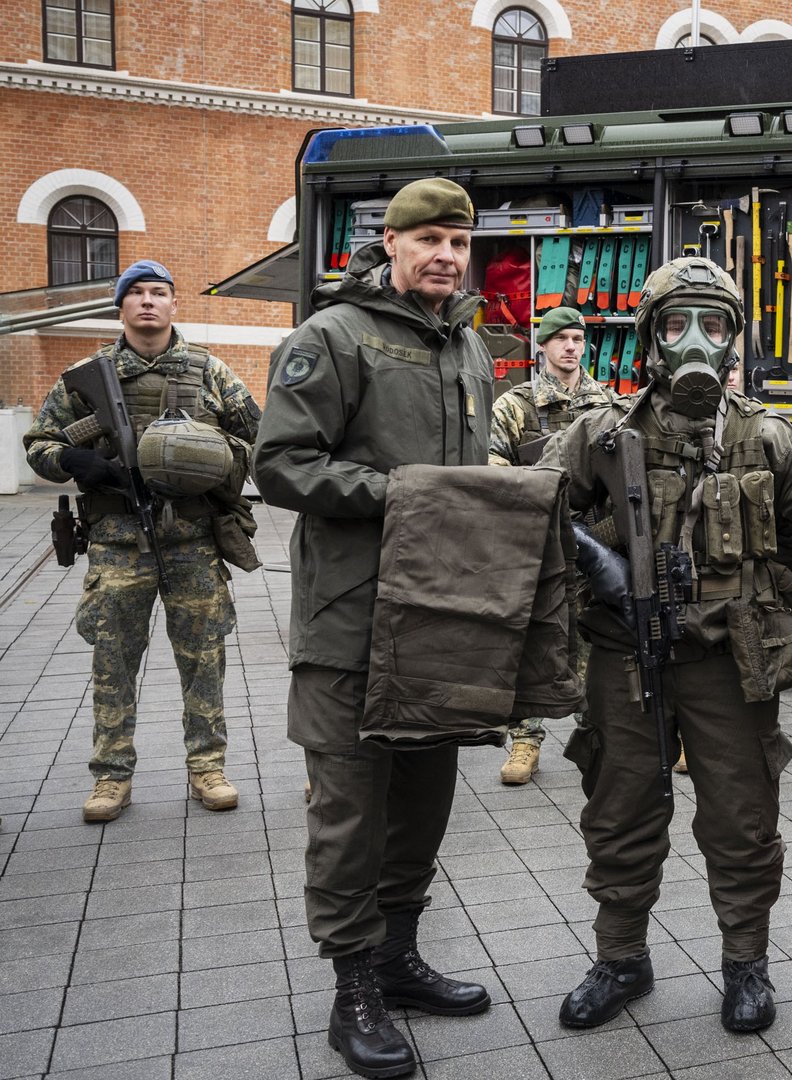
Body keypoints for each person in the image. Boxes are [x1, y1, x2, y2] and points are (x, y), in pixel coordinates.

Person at [542, 256, 792, 1036]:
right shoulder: (600, 435)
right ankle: (622, 958)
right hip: (625, 653)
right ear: (650, 340)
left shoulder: (767, 438)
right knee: (621, 806)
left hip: (730, 661)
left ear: (734, 339)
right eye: (676, 324)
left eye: (712, 323)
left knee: (742, 817)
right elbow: (536, 510)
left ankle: (745, 963)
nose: (694, 339)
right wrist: (600, 554)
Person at [255, 178, 498, 1079]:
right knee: (350, 815)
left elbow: (472, 470)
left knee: (422, 807)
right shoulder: (332, 337)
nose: (445, 255)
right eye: (428, 239)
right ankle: (352, 986)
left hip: (442, 620)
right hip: (350, 619)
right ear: (389, 244)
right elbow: (279, 464)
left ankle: (397, 958)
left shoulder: (469, 344)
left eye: (458, 243)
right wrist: (401, 495)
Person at [23, 259, 259, 822]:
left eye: (160, 293)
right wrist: (74, 459)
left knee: (204, 659)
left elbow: (258, 436)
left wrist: (207, 456)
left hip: (193, 541)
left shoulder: (210, 371)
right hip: (118, 542)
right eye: (137, 294)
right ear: (121, 305)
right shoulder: (87, 373)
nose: (149, 302)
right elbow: (38, 445)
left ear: (175, 304)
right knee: (113, 661)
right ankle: (111, 777)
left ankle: (208, 768)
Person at [487, 305, 621, 785]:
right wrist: (537, 487)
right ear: (540, 346)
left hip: (591, 544)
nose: (571, 347)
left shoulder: (606, 404)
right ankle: (524, 741)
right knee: (532, 637)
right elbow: (491, 463)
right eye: (560, 338)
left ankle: (595, 733)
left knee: (595, 637)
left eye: (578, 339)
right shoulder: (516, 405)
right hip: (536, 539)